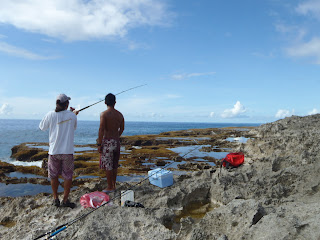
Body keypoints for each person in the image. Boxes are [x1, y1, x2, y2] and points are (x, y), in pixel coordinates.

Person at [39, 94, 79, 208]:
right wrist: (74, 114)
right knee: (67, 176)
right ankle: (65, 200)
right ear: (67, 104)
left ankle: (56, 198)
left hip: (54, 152)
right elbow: (74, 127)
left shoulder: (50, 114)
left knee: (53, 176)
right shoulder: (72, 116)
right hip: (67, 152)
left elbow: (42, 127)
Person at [97, 93, 124, 193]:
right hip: (116, 141)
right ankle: (113, 185)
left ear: (105, 102)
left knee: (108, 165)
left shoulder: (104, 114)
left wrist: (99, 144)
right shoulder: (120, 115)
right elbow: (122, 128)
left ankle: (109, 186)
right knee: (114, 165)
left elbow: (101, 129)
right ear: (115, 102)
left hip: (107, 141)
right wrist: (116, 136)